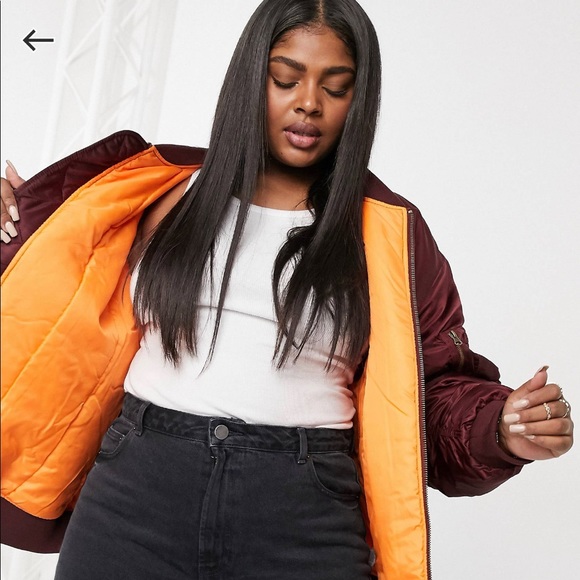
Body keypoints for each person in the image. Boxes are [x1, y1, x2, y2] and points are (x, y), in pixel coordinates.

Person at [0, 0, 573, 578]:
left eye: (336, 86)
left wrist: (500, 428)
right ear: (251, 78)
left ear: (359, 100)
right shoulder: (156, 189)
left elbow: (430, 389)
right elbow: (34, 303)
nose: (309, 103)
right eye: (286, 78)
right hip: (134, 494)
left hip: (303, 512)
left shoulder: (387, 231)